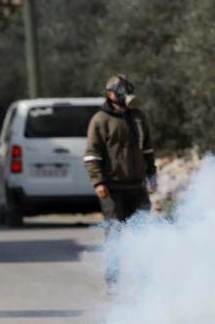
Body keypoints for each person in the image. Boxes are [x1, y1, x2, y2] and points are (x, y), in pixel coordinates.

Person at [84, 74, 157, 287]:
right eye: (121, 91)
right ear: (110, 95)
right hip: (113, 189)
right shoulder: (100, 120)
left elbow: (148, 149)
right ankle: (113, 281)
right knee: (114, 234)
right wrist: (98, 182)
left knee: (143, 234)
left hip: (137, 186)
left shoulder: (138, 117)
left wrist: (151, 174)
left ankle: (144, 279)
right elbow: (91, 155)